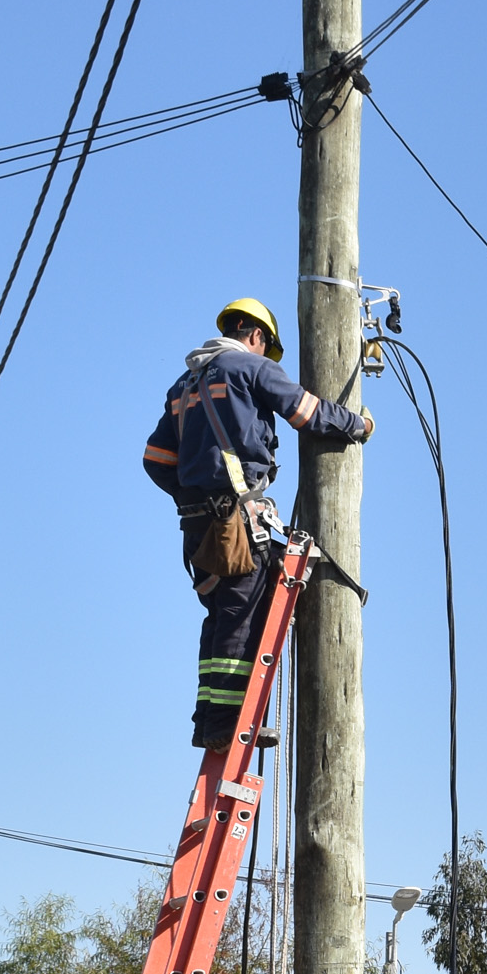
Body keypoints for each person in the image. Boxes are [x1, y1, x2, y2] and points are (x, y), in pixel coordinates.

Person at [140, 298, 375, 749]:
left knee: (222, 615)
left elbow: (155, 460)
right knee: (246, 614)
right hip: (237, 523)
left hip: (197, 529)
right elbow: (309, 414)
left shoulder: (182, 387)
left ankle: (208, 720)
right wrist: (359, 425)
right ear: (257, 337)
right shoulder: (252, 369)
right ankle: (230, 724)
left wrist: (195, 496)